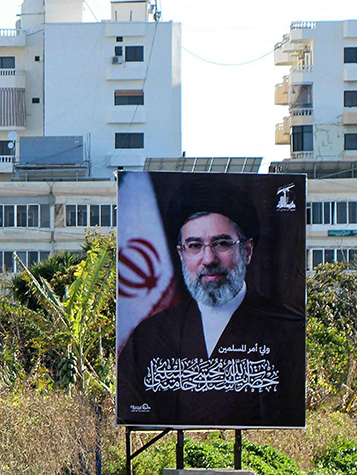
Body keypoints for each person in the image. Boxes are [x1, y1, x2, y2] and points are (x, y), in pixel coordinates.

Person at [117, 178, 305, 428]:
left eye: (222, 243)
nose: (208, 259)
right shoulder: (148, 336)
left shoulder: (287, 333)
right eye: (195, 246)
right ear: (181, 254)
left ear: (247, 251)